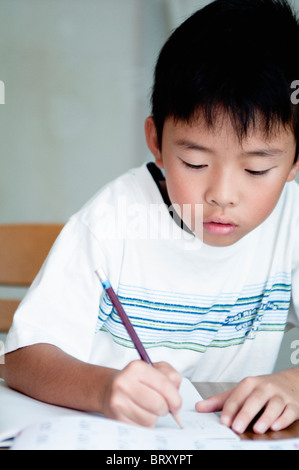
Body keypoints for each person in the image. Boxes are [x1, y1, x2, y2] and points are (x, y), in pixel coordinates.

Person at [3, 0, 299, 435]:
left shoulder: (291, 221)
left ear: (295, 163)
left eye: (256, 170)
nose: (221, 195)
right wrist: (103, 388)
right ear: (157, 142)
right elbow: (22, 359)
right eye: (195, 163)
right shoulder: (112, 220)